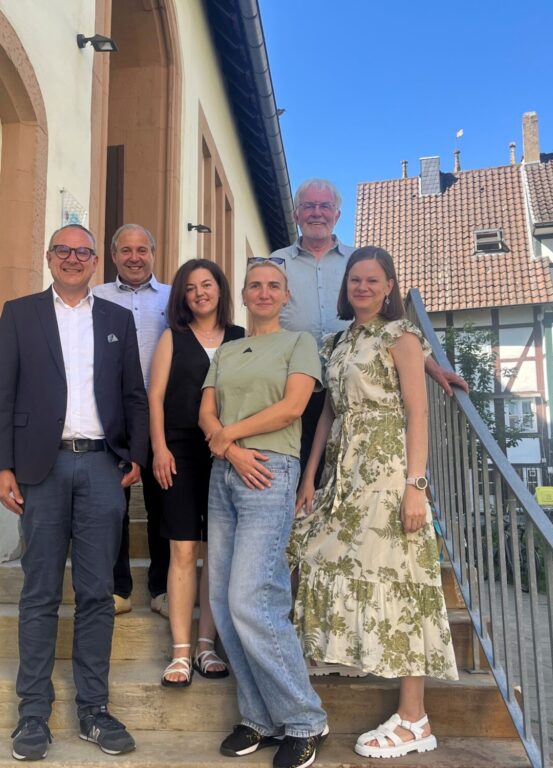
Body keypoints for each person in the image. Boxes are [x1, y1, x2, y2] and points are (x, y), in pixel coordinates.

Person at [0, 224, 148, 761]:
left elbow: (134, 394)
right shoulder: (20, 313)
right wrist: (0, 466)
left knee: (97, 593)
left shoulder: (117, 319)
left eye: (83, 252)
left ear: (95, 261)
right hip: (41, 467)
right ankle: (32, 714)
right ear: (49, 257)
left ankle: (94, 711)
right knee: (38, 592)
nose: (74, 259)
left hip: (102, 465)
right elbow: (2, 393)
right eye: (64, 250)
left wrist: (136, 456)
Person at [290, 246, 458, 760]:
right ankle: (332, 652)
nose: (361, 287)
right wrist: (308, 476)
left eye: (372, 280)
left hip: (386, 473)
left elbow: (417, 412)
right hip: (343, 469)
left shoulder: (402, 336)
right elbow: (326, 415)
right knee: (310, 551)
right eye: (354, 279)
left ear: (389, 286)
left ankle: (414, 718)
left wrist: (415, 485)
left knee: (403, 579)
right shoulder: (337, 341)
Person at [199, 258, 329, 768]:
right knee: (224, 600)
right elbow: (205, 411)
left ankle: (305, 719)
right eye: (255, 285)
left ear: (285, 295)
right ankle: (258, 716)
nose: (264, 292)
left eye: (274, 285)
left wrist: (229, 436)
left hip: (270, 471)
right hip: (226, 473)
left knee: (253, 598)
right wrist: (228, 447)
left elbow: (293, 408)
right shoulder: (227, 350)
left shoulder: (299, 344)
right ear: (245, 295)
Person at [270, 178, 467, 474]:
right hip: (295, 387)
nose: (317, 213)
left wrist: (430, 365)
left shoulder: (359, 262)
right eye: (309, 206)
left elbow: (392, 323)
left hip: (353, 384)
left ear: (337, 215)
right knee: (296, 473)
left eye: (325, 206)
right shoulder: (276, 263)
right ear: (297, 214)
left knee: (344, 471)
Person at [147, 259, 244, 687]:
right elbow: (155, 397)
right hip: (181, 451)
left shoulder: (242, 338)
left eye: (207, 284)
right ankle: (181, 651)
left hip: (229, 451)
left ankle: (207, 645)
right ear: (182, 297)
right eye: (191, 288)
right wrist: (159, 449)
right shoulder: (173, 337)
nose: (200, 293)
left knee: (217, 551)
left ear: (221, 290)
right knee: (184, 549)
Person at [92, 224, 172, 618]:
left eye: (142, 249)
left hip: (162, 412)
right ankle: (118, 588)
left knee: (162, 502)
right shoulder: (95, 297)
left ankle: (161, 588)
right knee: (112, 502)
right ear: (113, 255)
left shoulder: (174, 298)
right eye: (126, 250)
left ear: (154, 254)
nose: (135, 257)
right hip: (111, 412)